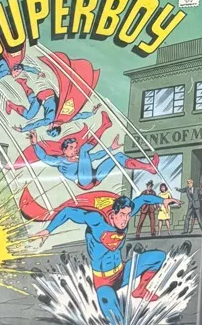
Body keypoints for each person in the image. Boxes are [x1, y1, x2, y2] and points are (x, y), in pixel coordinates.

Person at [32, 192, 167, 325]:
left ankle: (140, 290)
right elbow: (67, 212)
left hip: (122, 272)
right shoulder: (96, 220)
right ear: (113, 214)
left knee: (158, 257)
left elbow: (143, 199)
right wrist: (48, 230)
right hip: (104, 282)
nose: (125, 219)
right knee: (117, 319)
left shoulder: (126, 214)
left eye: (128, 215)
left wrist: (163, 201)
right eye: (122, 215)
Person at [29, 131, 157, 190]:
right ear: (64, 150)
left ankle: (149, 167)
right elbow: (44, 157)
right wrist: (35, 144)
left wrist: (110, 149)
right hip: (84, 182)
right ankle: (104, 126)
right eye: (71, 148)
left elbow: (96, 156)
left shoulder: (80, 158)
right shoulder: (60, 161)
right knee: (84, 149)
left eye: (75, 147)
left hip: (95, 177)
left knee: (118, 156)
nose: (74, 150)